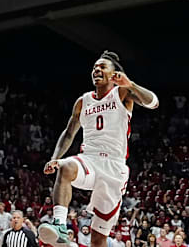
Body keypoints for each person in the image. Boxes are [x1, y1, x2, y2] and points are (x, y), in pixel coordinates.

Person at [38, 51, 159, 247]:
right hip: (90, 159)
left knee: (98, 237)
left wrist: (130, 84)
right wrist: (55, 157)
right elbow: (69, 134)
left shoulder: (122, 92)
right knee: (66, 166)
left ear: (114, 73)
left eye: (102, 67)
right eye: (94, 67)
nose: (96, 70)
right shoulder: (83, 101)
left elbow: (153, 102)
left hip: (114, 167)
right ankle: (60, 225)